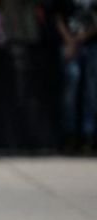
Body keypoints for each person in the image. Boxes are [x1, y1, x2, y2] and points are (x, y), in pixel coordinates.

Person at [56, 0, 97, 151]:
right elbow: (57, 17)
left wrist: (81, 38)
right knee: (71, 85)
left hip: (92, 44)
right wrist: (70, 41)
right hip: (69, 43)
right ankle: (70, 135)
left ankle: (89, 135)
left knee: (91, 92)